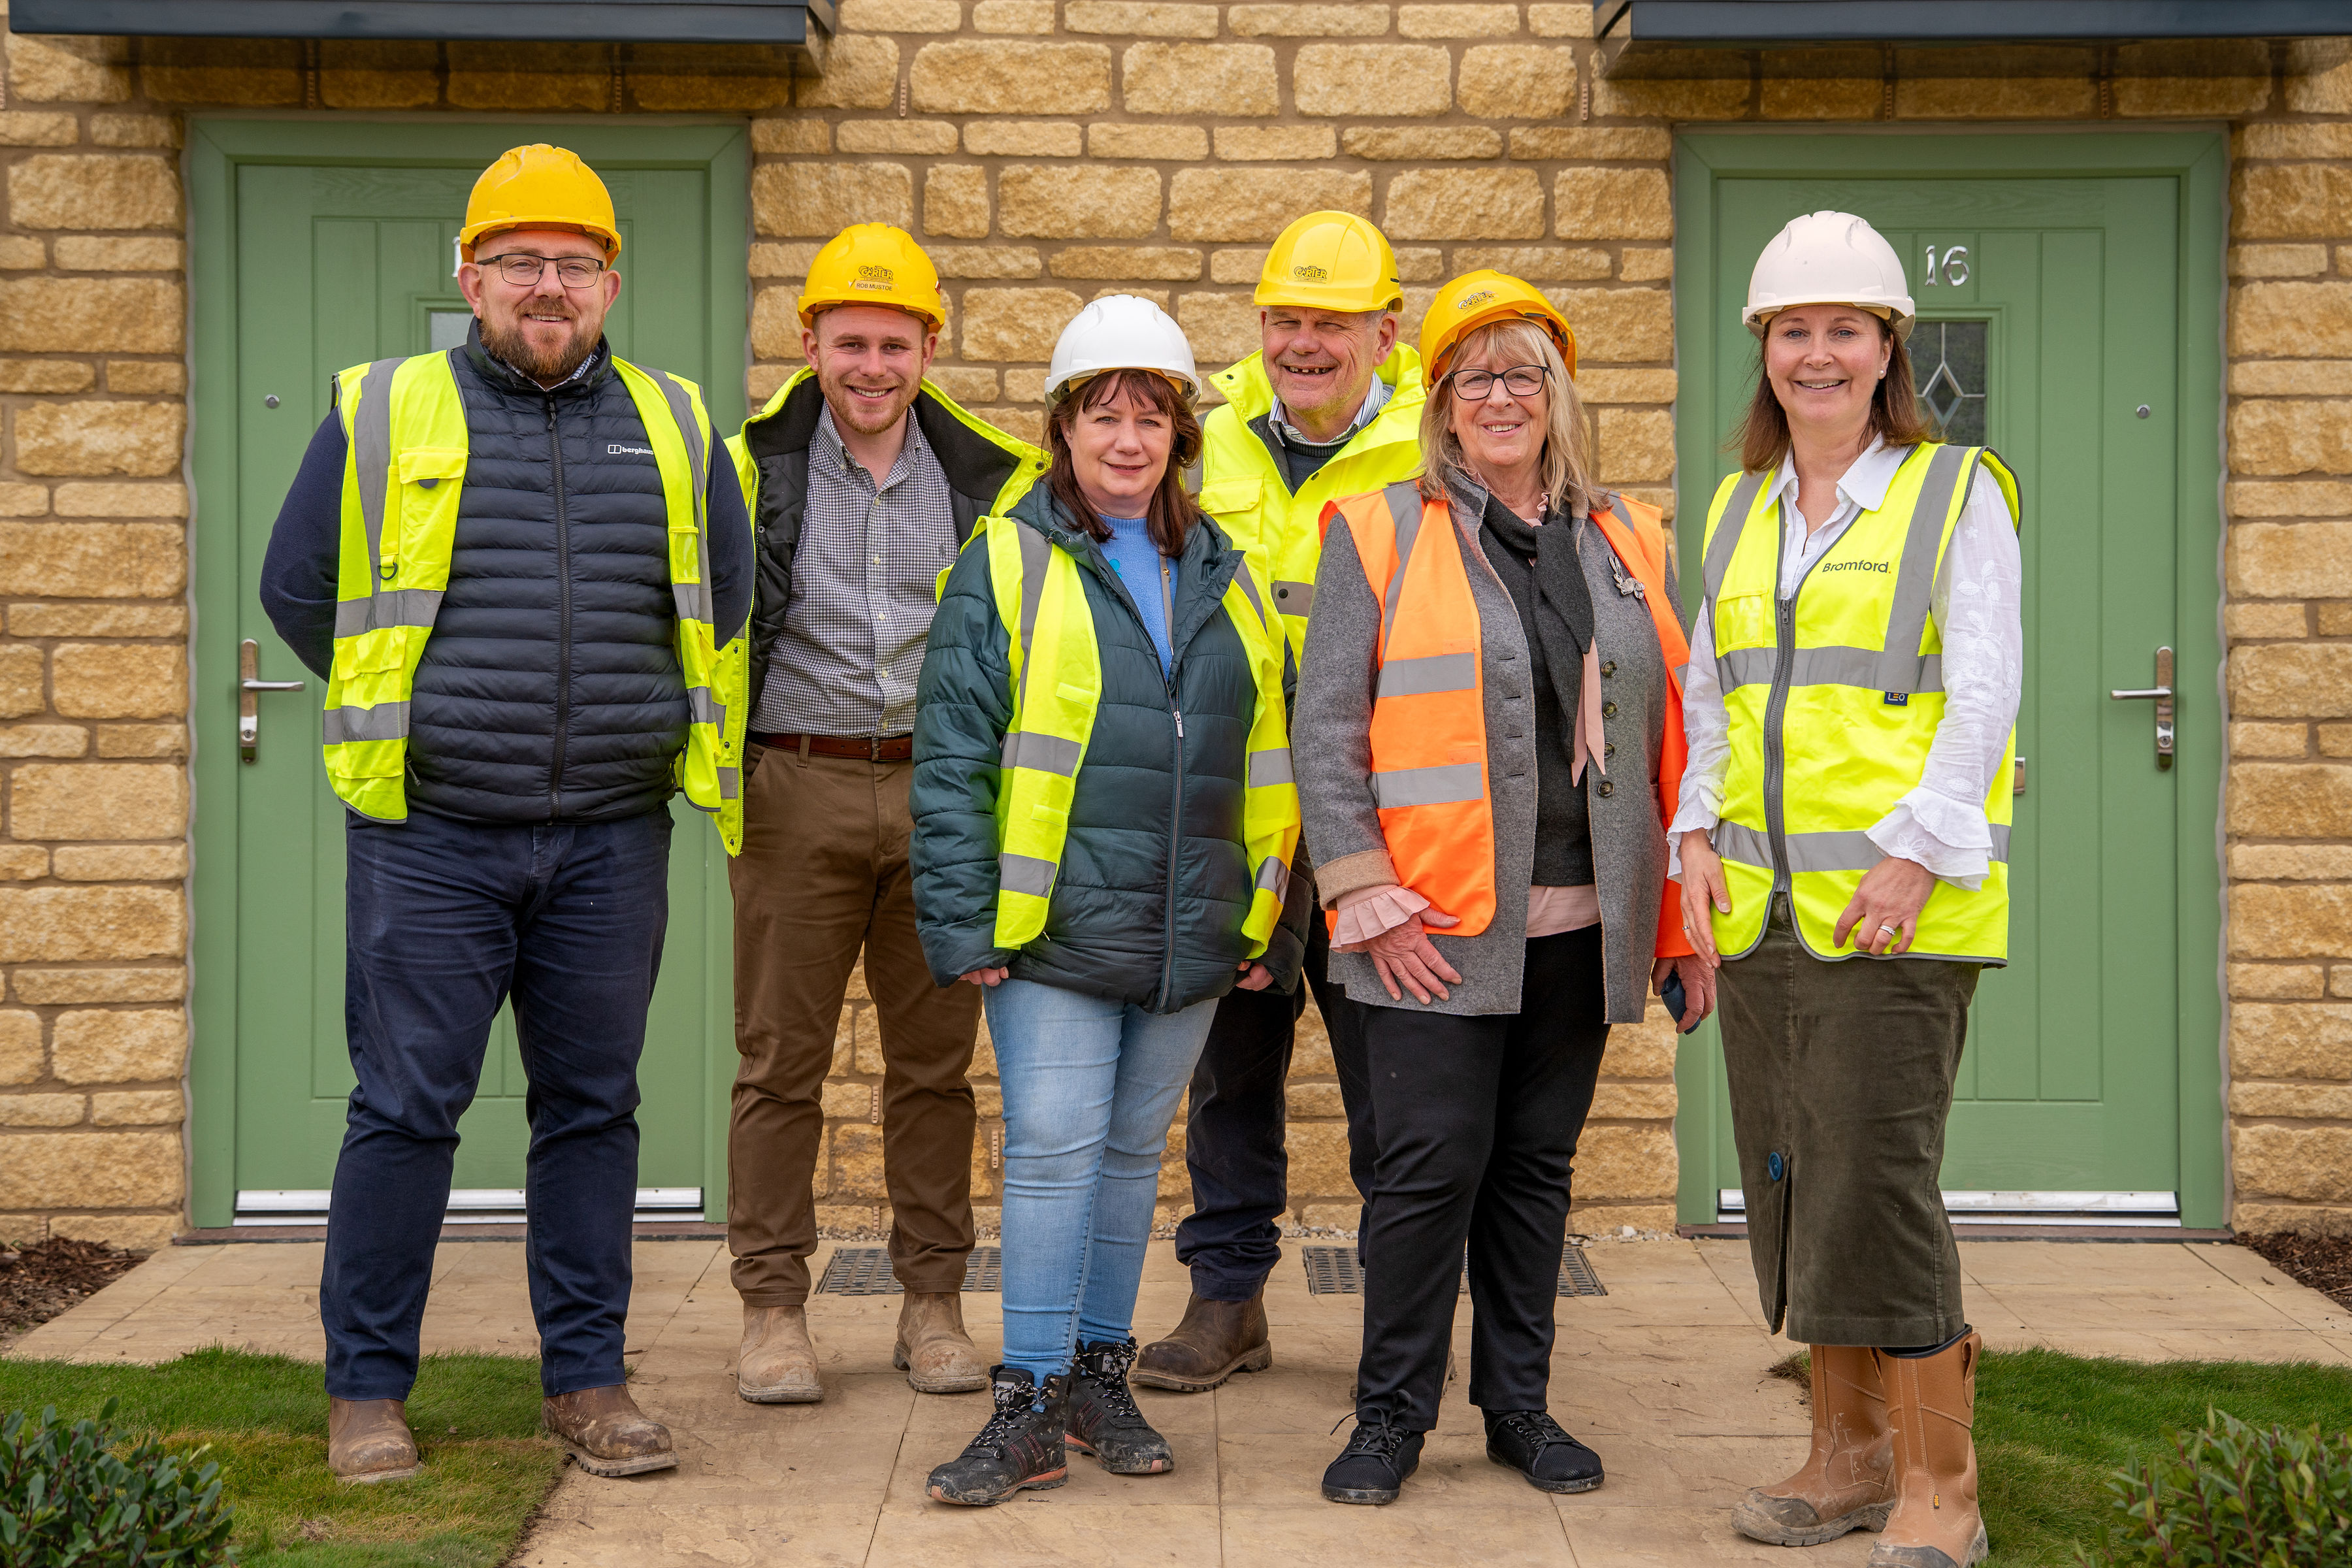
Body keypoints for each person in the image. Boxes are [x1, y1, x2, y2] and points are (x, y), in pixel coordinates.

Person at [258, 144, 751, 1482]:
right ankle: (367, 1393)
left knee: (592, 1111)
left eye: (574, 264)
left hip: (609, 835)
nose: (549, 286)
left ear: (609, 281)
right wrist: (425, 716)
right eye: (521, 262)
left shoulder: (677, 420)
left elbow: (723, 595)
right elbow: (299, 588)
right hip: (432, 837)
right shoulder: (380, 407)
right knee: (408, 1109)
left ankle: (587, 1384)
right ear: (468, 274)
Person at [1294, 273, 1709, 1507]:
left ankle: (1518, 1410)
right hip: (1427, 925)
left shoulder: (1626, 539)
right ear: (1439, 404)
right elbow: (1327, 725)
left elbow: (1675, 736)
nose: (1501, 396)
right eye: (1474, 376)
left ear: (1560, 393)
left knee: (1534, 1172)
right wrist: (1362, 891)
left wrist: (1679, 922)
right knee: (1426, 1172)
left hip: (1582, 926)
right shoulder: (1377, 530)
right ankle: (1388, 1420)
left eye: (1524, 371)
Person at [909, 297, 1307, 1505]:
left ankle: (1096, 1375)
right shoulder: (1010, 556)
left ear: (1181, 435)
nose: (1128, 439)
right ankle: (1024, 1400)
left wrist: (1264, 919)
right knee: (1053, 1160)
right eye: (1104, 415)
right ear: (1063, 429)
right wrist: (968, 923)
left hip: (1194, 930)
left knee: (1134, 1156)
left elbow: (1266, 757)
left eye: (1151, 417)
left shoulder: (1224, 572)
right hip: (1054, 932)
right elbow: (954, 752)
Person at [1677, 211, 2019, 1568]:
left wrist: (1917, 847)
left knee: (1877, 1184)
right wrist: (1694, 831)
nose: (1819, 355)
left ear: (1889, 351)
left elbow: (1985, 691)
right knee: (1796, 1179)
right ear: (1765, 353)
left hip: (1897, 912)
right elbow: (1712, 692)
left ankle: (1944, 1485)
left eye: (1846, 331)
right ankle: (1846, 1456)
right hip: (1760, 913)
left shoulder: (1955, 493)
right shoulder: (1738, 508)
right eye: (1794, 332)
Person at [721, 225, 1046, 1404]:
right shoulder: (745, 465)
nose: (871, 366)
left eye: (894, 343)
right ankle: (770, 1313)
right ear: (806, 342)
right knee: (779, 1066)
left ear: (929, 346)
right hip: (791, 786)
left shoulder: (995, 479)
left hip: (945, 792)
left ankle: (933, 1305)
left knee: (936, 1069)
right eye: (849, 341)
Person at [1137, 211, 1426, 1396]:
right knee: (1230, 1072)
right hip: (1236, 808)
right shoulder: (1200, 434)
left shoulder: (1434, 444)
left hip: (1381, 814)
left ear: (1383, 330)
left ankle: (1399, 1325)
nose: (1305, 343)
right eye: (1286, 320)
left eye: (1332, 322)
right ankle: (1226, 1303)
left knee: (1395, 1081)